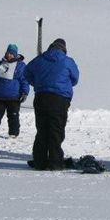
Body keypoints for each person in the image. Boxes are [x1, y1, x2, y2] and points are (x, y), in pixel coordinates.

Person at [24, 38, 79, 171]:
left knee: (42, 130)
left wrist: (37, 83)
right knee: (56, 130)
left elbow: (26, 73)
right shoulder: (68, 61)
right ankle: (55, 162)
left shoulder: (40, 59)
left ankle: (40, 162)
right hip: (60, 99)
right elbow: (75, 78)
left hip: (41, 97)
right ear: (64, 49)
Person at [0, 44, 30, 138]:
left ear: (15, 54)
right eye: (8, 53)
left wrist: (24, 92)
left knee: (13, 115)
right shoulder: (1, 63)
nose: (9, 55)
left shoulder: (20, 66)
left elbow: (24, 80)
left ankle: (13, 132)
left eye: (11, 53)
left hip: (14, 96)